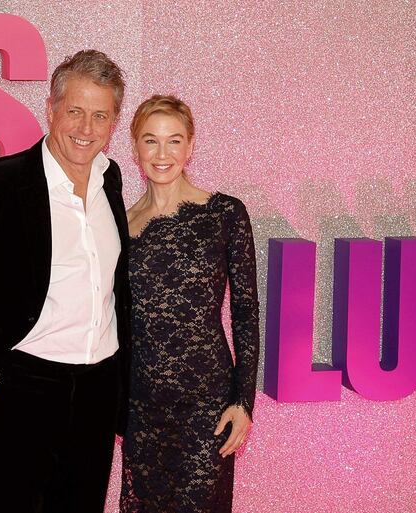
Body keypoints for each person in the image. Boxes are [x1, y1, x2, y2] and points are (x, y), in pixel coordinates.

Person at [0, 50, 131, 513]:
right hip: (23, 387)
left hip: (98, 391)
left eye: (100, 116)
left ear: (114, 121)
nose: (85, 128)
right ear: (51, 108)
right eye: (75, 111)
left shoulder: (110, 181)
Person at [119, 95, 260, 513]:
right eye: (151, 141)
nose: (162, 154)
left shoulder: (225, 213)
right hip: (142, 406)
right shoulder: (119, 225)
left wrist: (243, 401)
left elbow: (246, 312)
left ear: (190, 145)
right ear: (135, 147)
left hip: (208, 403)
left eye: (174, 141)